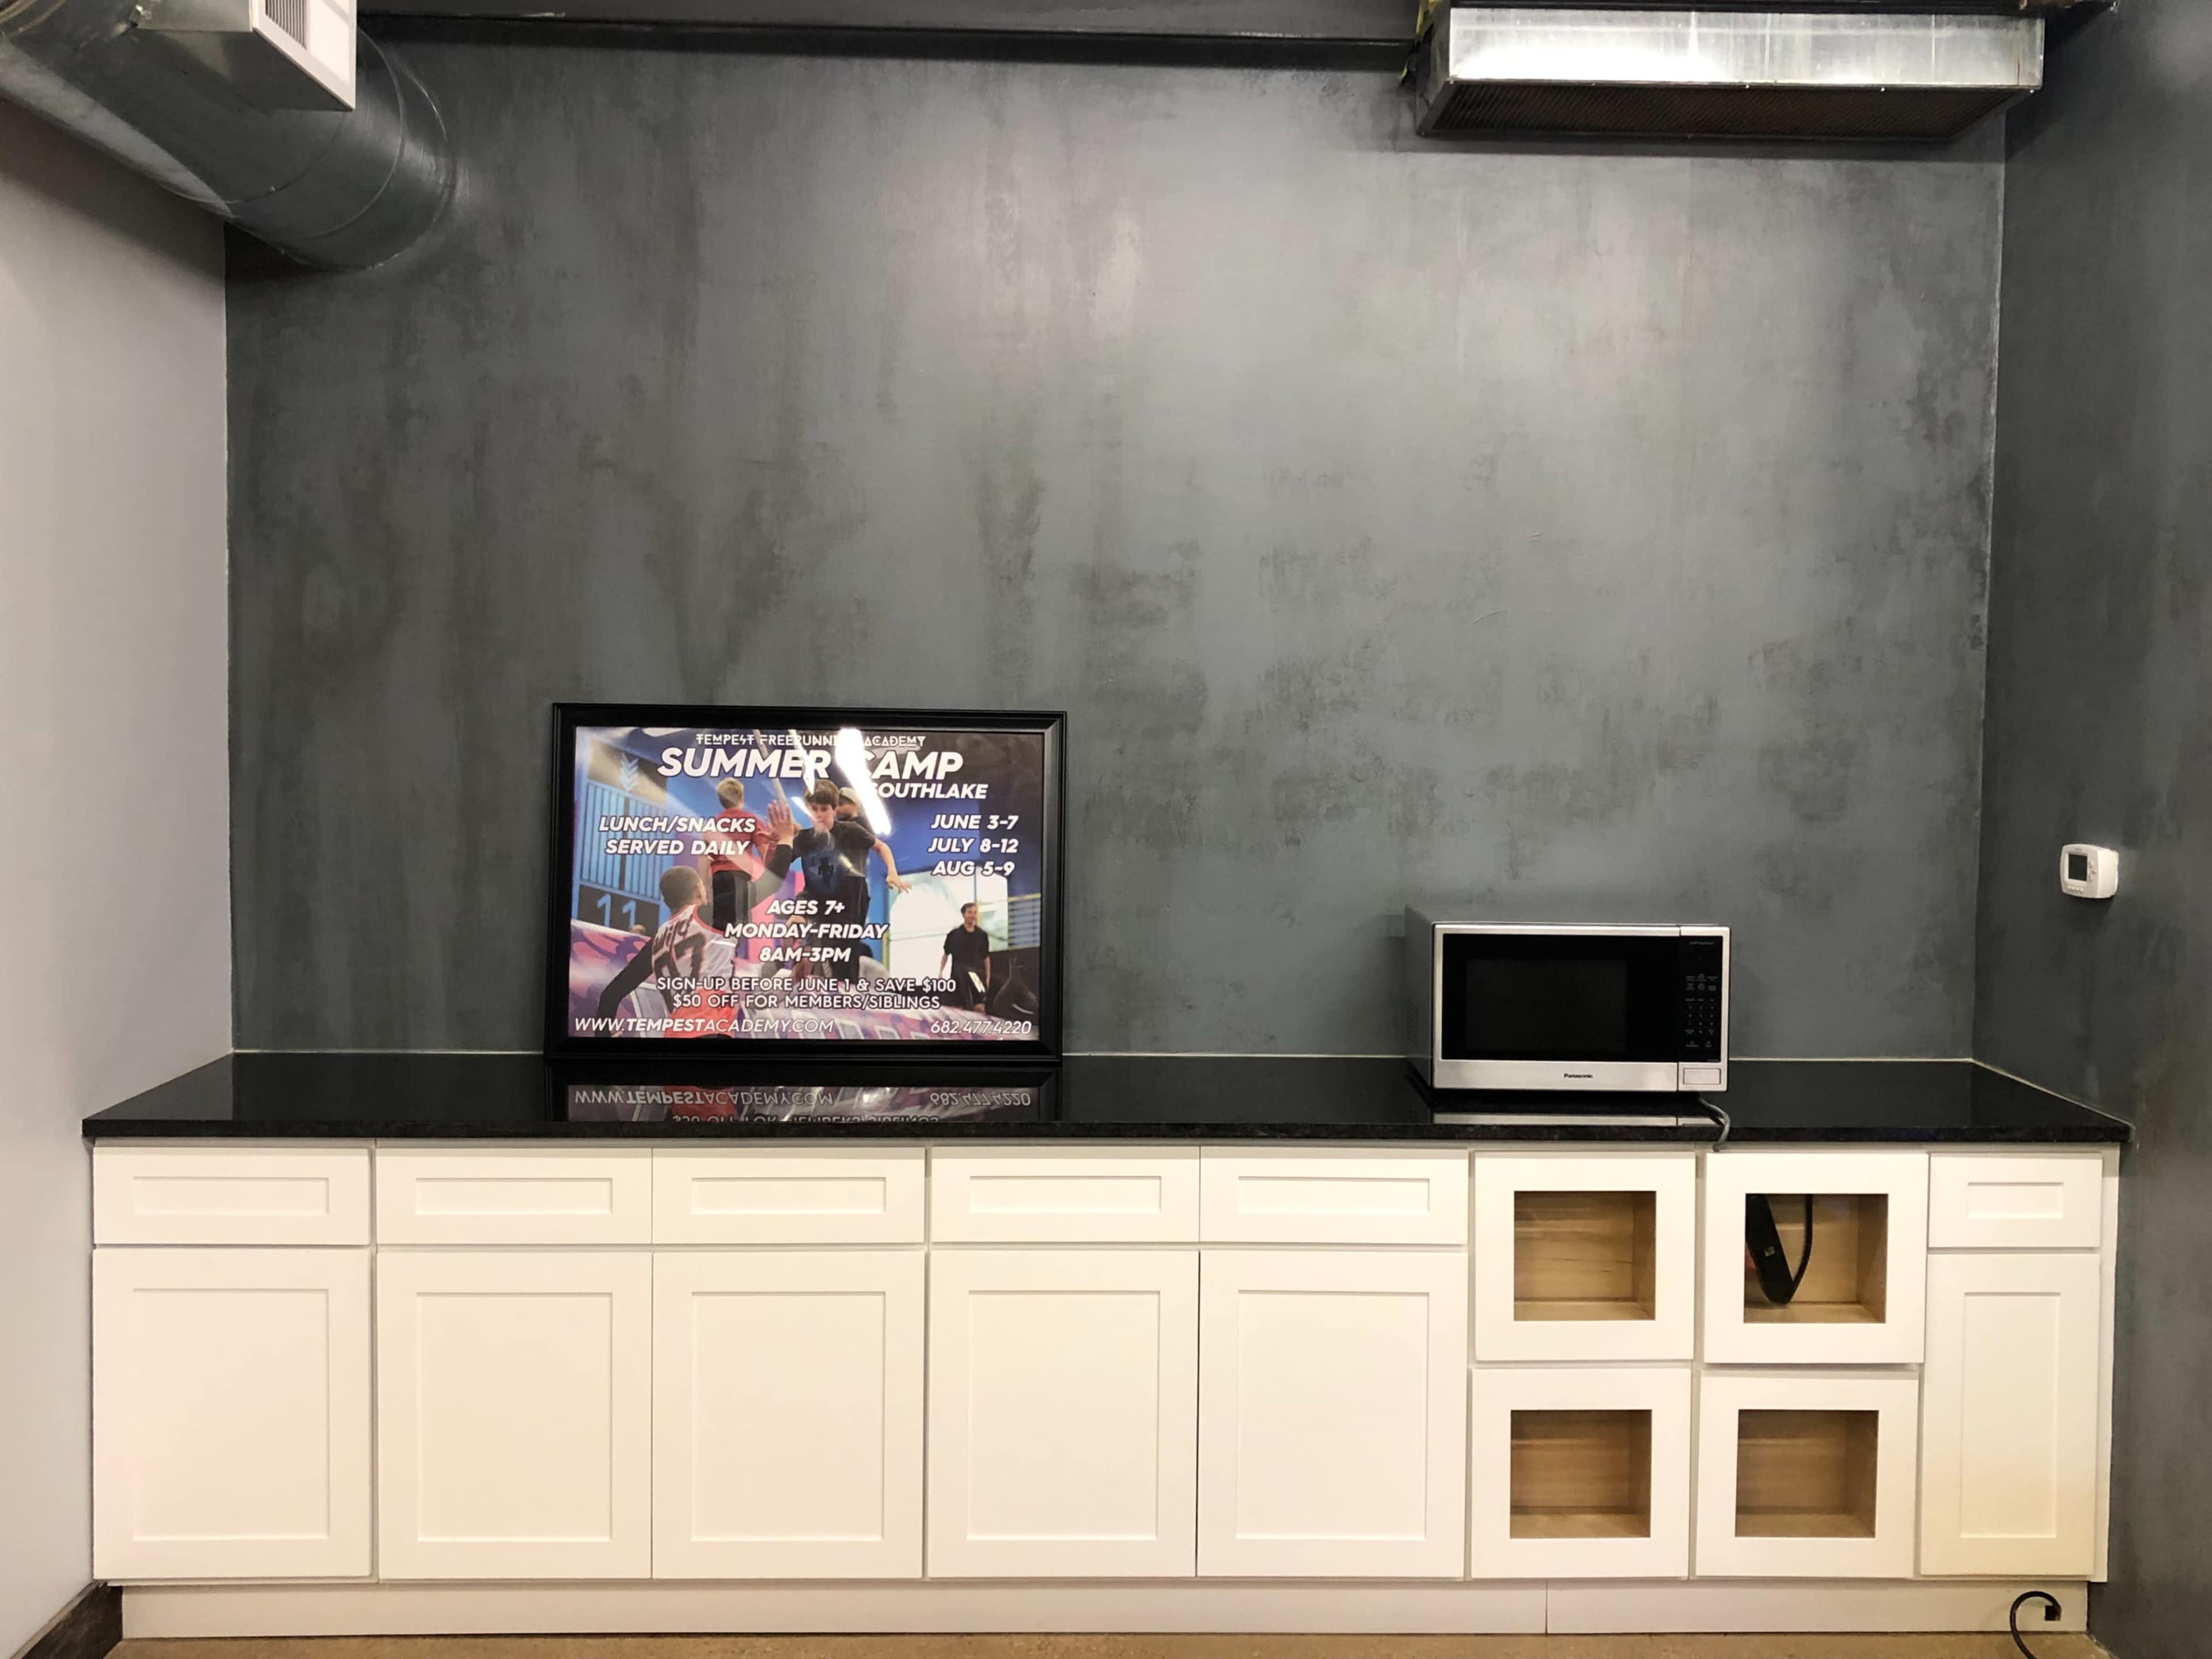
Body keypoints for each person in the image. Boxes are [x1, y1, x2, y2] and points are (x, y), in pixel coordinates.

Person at [595, 798, 800, 1025]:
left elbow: (610, 995)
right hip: (709, 1030)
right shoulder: (710, 915)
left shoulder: (658, 941)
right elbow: (770, 883)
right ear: (698, 890)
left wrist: (604, 1038)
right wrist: (787, 839)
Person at [832, 785, 910, 961]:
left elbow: (881, 847)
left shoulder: (857, 826)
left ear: (855, 805)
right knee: (836, 941)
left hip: (852, 886)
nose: (837, 809)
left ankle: (845, 979)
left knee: (846, 942)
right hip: (837, 885)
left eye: (842, 804)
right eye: (836, 805)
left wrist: (892, 872)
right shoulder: (839, 828)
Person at [938, 902, 993, 1010]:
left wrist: (987, 977)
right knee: (959, 1008)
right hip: (958, 976)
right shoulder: (954, 935)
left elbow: (986, 958)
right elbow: (946, 955)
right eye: (970, 912)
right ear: (964, 914)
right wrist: (941, 973)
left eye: (975, 913)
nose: (973, 915)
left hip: (977, 976)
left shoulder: (982, 935)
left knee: (980, 1007)